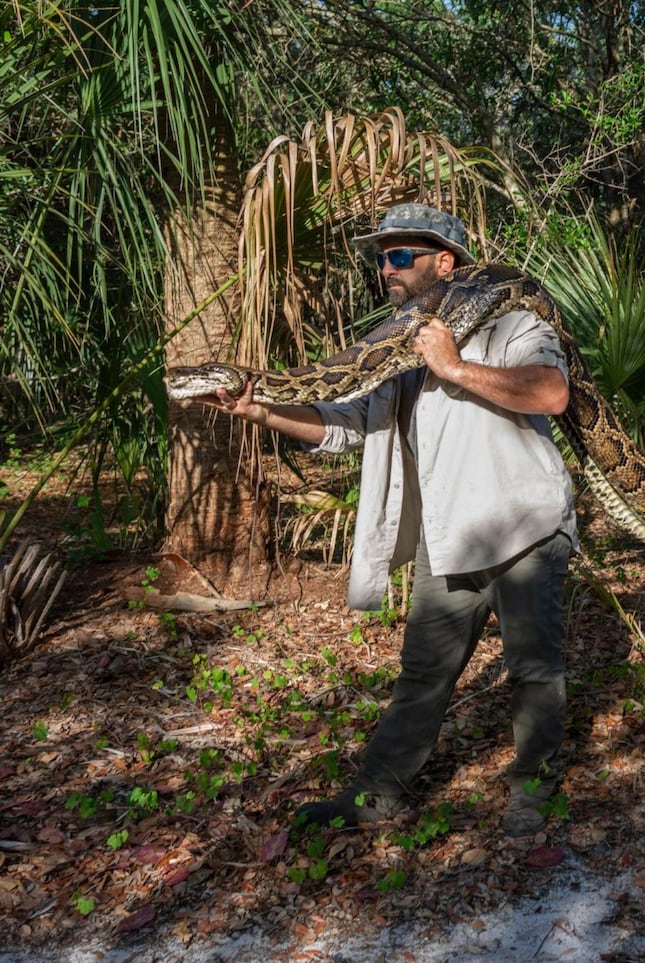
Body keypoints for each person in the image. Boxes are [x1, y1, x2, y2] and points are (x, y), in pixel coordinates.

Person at [195, 203, 579, 836]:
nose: (386, 269)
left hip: (523, 526)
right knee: (423, 673)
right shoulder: (391, 352)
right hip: (447, 533)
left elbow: (551, 391)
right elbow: (341, 428)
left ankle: (533, 791)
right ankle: (379, 794)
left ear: (445, 263)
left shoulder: (509, 323)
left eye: (401, 256)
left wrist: (453, 365)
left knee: (534, 669)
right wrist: (259, 410)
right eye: (381, 258)